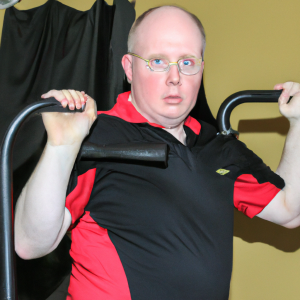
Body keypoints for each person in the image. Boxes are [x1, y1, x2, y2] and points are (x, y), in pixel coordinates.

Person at [14, 5, 300, 300]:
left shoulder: (217, 146)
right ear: (129, 68)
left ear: (201, 68)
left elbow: (290, 210)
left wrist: (299, 123)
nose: (174, 77)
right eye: (158, 61)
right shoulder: (98, 135)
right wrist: (61, 147)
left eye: (187, 62)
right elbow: (30, 243)